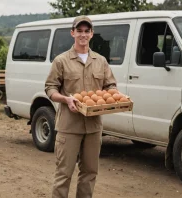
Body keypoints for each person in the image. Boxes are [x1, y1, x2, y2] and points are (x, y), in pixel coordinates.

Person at [45, 15, 117, 198]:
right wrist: (65, 99)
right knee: (64, 174)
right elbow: (50, 88)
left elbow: (110, 86)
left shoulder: (101, 61)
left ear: (92, 34)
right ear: (72, 33)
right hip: (69, 127)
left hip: (93, 127)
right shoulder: (61, 61)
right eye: (79, 31)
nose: (83, 35)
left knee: (90, 173)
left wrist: (111, 97)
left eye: (87, 31)